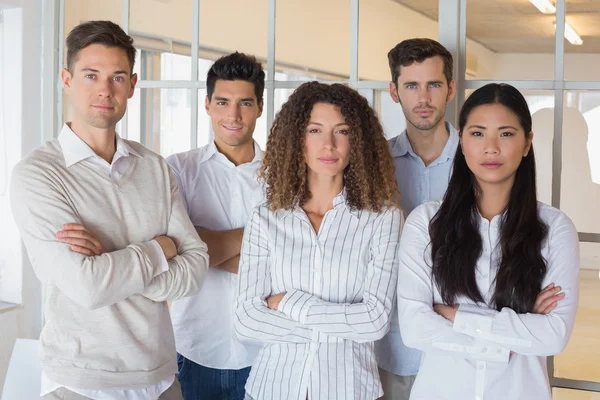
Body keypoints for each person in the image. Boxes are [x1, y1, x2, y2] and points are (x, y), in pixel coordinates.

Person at [10, 20, 208, 400]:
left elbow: (195, 269)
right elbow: (88, 287)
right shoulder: (38, 174)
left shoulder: (154, 167)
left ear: (132, 85)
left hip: (164, 380)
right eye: (91, 75)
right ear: (67, 79)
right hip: (81, 384)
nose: (104, 89)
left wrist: (114, 264)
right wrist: (160, 250)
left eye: (117, 77)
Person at [396, 83, 579, 400]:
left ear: (526, 143)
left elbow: (553, 337)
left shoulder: (555, 229)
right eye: (478, 133)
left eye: (506, 134)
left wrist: (456, 316)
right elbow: (415, 329)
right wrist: (518, 327)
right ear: (461, 142)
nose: (491, 148)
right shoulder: (426, 223)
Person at [234, 82, 403, 400]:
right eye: (315, 130)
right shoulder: (266, 218)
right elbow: (246, 319)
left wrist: (287, 303)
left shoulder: (383, 219)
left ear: (358, 141)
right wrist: (341, 328)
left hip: (351, 390)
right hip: (272, 389)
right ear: (297, 138)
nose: (329, 145)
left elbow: (375, 320)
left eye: (342, 131)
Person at [166, 52, 265, 400]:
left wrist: (201, 248)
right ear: (207, 104)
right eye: (223, 102)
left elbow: (292, 262)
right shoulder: (177, 169)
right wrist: (263, 240)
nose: (233, 115)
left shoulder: (285, 176)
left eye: (245, 103)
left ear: (260, 107)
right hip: (193, 348)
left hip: (266, 350)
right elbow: (174, 252)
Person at [375, 38, 460, 400]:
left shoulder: (479, 162)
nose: (423, 98)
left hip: (461, 348)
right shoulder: (372, 165)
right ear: (394, 92)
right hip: (391, 348)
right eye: (411, 85)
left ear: (451, 89)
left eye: (434, 85)